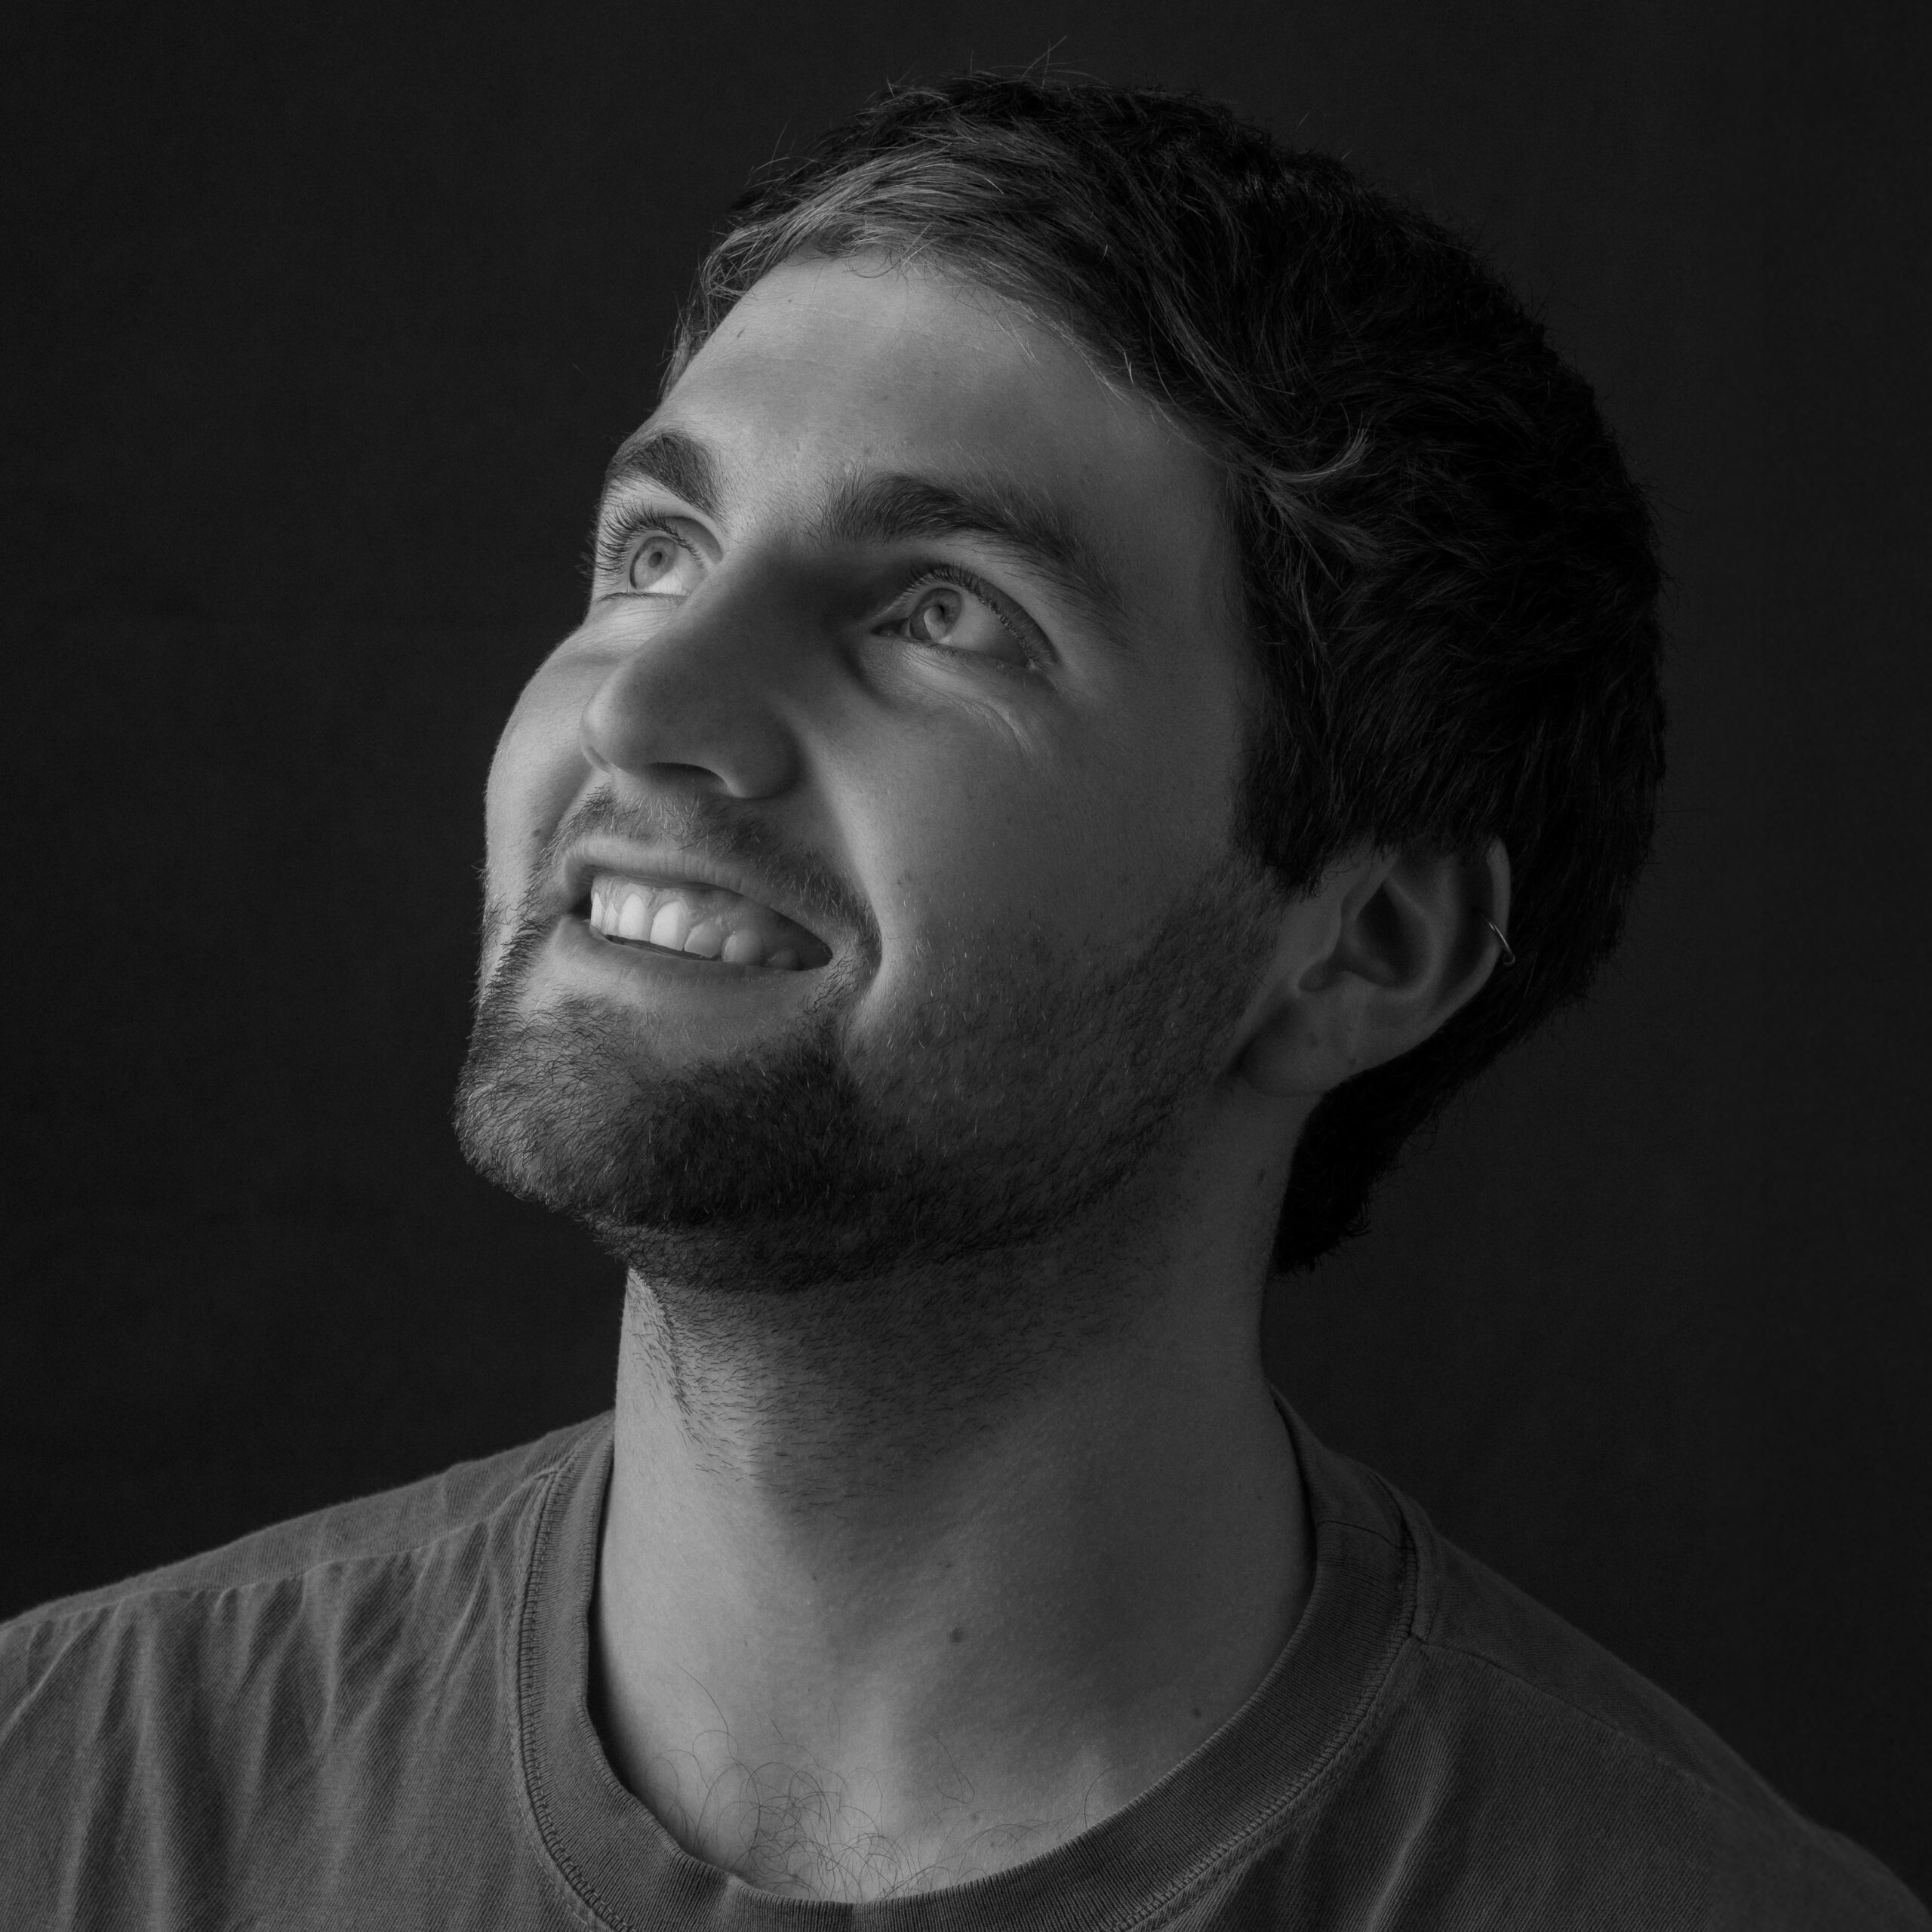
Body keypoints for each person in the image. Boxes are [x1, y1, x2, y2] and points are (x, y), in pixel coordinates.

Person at [2, 72, 1923, 1931]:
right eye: (656, 554)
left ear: (1357, 949)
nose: (646, 707)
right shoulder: (53, 1793)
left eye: (942, 613)